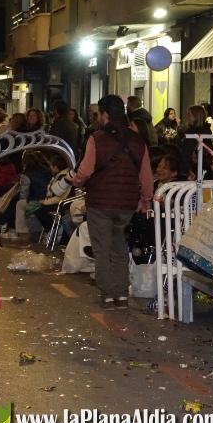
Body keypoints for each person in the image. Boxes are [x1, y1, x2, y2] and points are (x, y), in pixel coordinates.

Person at [69, 95, 153, 310]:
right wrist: (146, 199)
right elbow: (145, 175)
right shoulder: (137, 140)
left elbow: (85, 171)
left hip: (100, 202)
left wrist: (76, 180)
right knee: (119, 247)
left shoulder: (96, 138)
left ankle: (107, 294)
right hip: (126, 203)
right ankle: (122, 294)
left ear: (105, 114)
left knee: (102, 248)